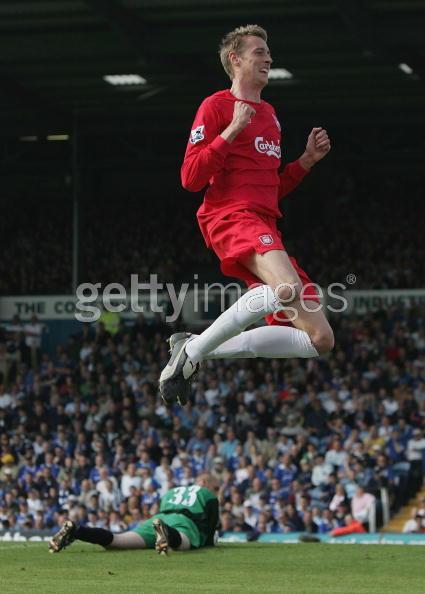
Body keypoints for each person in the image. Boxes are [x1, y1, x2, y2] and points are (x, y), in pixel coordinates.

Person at [159, 24, 333, 406]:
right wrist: (232, 129)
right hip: (230, 216)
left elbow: (269, 187)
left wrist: (304, 162)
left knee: (320, 339)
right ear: (235, 60)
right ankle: (192, 351)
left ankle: (193, 348)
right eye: (259, 51)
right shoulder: (216, 106)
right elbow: (191, 178)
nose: (268, 58)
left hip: (263, 223)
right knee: (284, 288)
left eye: (268, 52)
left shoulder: (270, 115)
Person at [48, 474, 219, 555]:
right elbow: (210, 529)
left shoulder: (172, 491)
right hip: (183, 521)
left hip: (158, 518)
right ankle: (165, 531)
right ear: (204, 482)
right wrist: (209, 541)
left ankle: (77, 531)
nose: (216, 491)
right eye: (216, 487)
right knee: (181, 543)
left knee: (118, 540)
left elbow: (163, 508)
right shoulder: (208, 494)